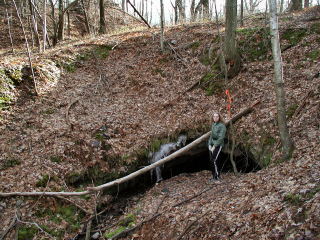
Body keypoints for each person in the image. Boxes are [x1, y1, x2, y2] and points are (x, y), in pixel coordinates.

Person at [208, 112, 226, 182]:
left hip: (218, 144)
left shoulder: (222, 126)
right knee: (212, 160)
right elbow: (211, 135)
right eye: (214, 117)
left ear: (219, 118)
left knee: (214, 159)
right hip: (213, 143)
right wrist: (209, 144)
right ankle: (214, 176)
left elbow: (220, 138)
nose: (215, 118)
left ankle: (217, 176)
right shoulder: (213, 125)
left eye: (217, 117)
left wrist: (214, 146)